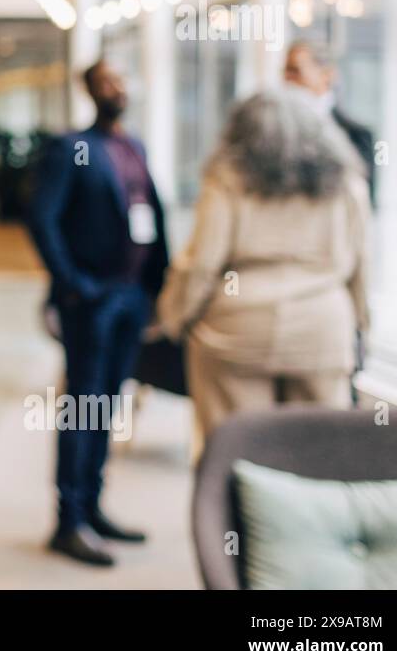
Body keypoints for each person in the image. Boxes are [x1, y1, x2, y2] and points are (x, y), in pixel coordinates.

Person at [157, 87, 369, 440]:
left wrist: (175, 316)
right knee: (319, 452)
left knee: (235, 450)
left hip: (237, 326)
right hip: (322, 326)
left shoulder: (227, 177)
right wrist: (361, 325)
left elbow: (202, 265)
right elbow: (361, 264)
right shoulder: (346, 180)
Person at [28, 59, 168, 567]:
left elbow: (151, 214)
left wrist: (156, 287)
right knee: (82, 408)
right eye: (107, 80)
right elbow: (43, 220)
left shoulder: (133, 147)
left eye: (121, 78)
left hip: (132, 298)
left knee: (108, 406)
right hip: (91, 300)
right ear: (89, 90)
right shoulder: (72, 149)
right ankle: (69, 520)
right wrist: (74, 286)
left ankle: (93, 505)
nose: (117, 86)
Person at [283, 40, 376, 206]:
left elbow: (364, 205)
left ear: (328, 74)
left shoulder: (357, 135)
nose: (288, 79)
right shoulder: (271, 133)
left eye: (295, 70)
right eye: (286, 71)